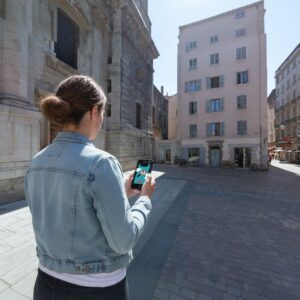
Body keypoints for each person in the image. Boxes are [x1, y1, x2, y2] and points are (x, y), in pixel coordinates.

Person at [24, 75, 156, 300]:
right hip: (96, 289)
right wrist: (145, 199)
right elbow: (123, 241)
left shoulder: (37, 161)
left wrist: (120, 192)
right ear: (94, 111)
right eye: (104, 112)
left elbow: (69, 210)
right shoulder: (101, 163)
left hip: (46, 284)